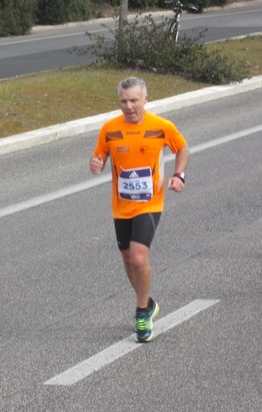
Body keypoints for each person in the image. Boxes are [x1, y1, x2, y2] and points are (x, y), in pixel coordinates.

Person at [89, 77, 189, 341]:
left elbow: (182, 148)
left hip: (150, 203)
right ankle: (149, 302)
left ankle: (142, 312)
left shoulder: (161, 127)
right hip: (121, 206)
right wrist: (96, 163)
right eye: (124, 101)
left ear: (146, 99)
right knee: (127, 260)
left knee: (137, 258)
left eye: (134, 100)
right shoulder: (110, 129)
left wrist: (179, 175)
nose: (129, 106)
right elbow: (100, 155)